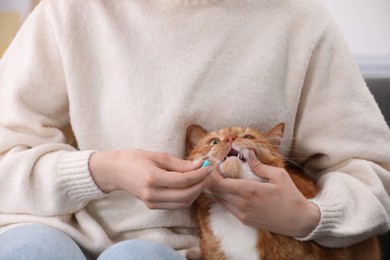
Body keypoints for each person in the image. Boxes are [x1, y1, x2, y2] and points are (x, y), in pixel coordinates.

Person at [0, 0, 389, 259]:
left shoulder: (298, 20)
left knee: (137, 257)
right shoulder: (67, 11)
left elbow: (373, 173)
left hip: (184, 249)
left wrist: (309, 216)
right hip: (54, 224)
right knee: (27, 250)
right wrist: (102, 170)